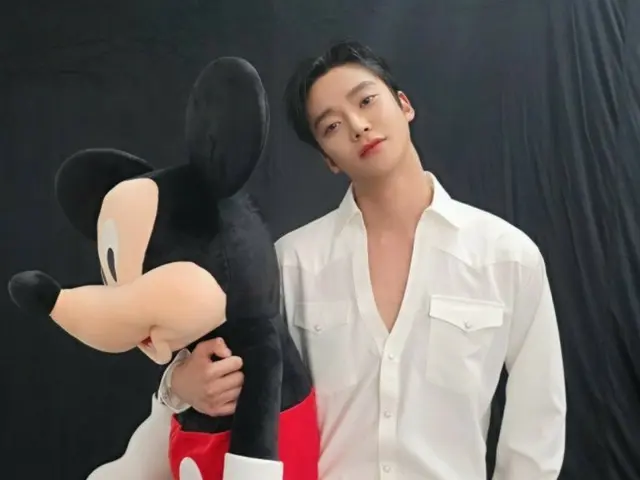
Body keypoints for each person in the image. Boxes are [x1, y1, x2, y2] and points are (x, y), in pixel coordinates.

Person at [157, 40, 567, 479]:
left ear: (404, 104)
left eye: (367, 101)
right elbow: (227, 367)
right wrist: (177, 386)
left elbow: (537, 428)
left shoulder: (507, 257)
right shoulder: (291, 264)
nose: (357, 126)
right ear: (328, 160)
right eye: (331, 125)